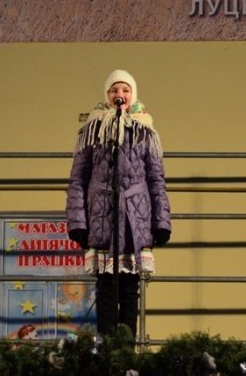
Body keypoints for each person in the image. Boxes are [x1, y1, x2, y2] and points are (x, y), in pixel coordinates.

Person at [66, 69, 171, 338]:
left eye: (125, 90)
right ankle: (107, 350)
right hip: (102, 218)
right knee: (106, 290)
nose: (119, 95)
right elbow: (78, 178)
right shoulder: (92, 131)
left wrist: (161, 222)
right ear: (107, 95)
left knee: (129, 291)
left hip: (134, 221)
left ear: (132, 94)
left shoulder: (145, 131)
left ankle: (126, 351)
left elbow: (155, 179)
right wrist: (78, 223)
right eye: (114, 90)